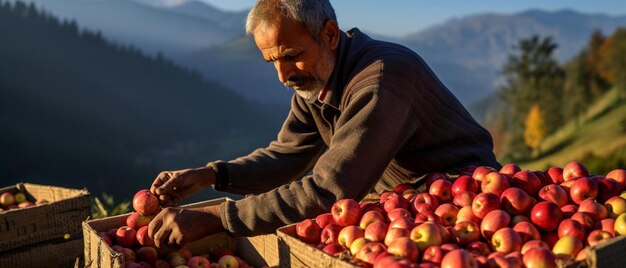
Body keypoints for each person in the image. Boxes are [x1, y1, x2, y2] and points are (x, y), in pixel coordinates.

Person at [147, 0, 500, 248]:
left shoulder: (382, 81)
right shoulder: (316, 82)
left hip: (466, 206)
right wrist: (212, 175)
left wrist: (218, 218)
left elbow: (329, 189)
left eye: (291, 57)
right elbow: (286, 155)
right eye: (271, 61)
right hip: (404, 208)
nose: (283, 75)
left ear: (329, 34)